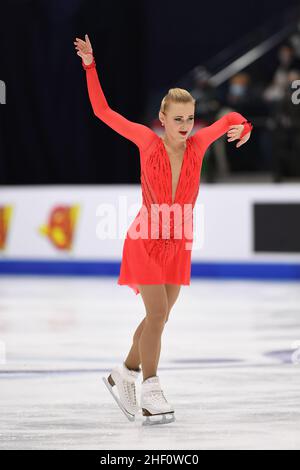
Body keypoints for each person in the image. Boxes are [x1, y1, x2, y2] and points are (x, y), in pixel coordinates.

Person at [74, 34, 253, 425]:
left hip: (179, 243)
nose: (186, 126)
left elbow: (229, 119)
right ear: (162, 118)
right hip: (145, 240)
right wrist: (90, 66)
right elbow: (103, 111)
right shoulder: (147, 142)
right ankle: (151, 388)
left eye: (189, 118)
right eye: (178, 119)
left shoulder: (199, 145)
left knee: (160, 318)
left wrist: (246, 127)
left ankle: (122, 372)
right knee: (156, 315)